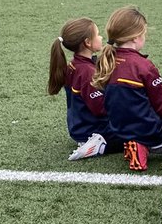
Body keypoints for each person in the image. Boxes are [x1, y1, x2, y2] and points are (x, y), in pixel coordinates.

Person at [93, 5, 162, 171]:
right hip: (149, 128)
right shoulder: (145, 66)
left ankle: (139, 144)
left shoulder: (105, 61)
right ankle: (143, 144)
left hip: (119, 128)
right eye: (144, 34)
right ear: (135, 38)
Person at [46, 17, 120, 160]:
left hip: (79, 127)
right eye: (98, 34)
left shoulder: (75, 65)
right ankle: (99, 145)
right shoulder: (86, 72)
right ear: (87, 42)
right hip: (93, 130)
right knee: (139, 130)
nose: (101, 37)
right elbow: (101, 109)